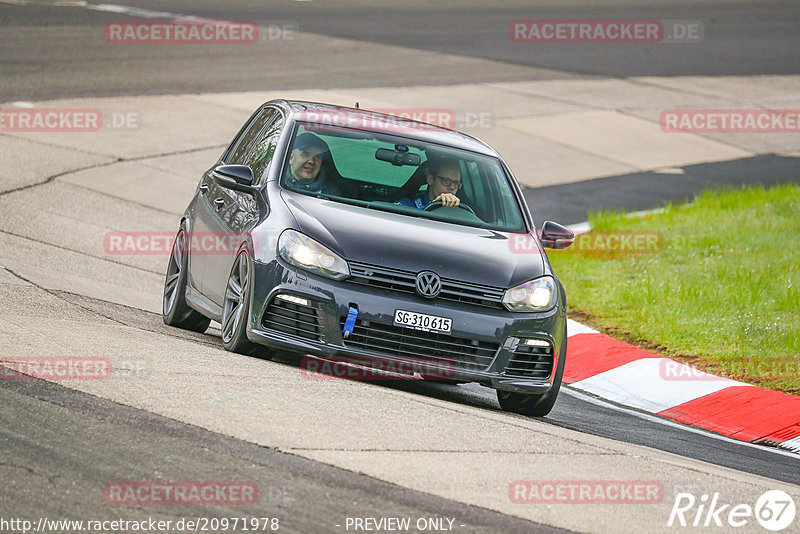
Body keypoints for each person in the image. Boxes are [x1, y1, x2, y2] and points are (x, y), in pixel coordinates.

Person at [397, 157, 462, 209]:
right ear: (430, 179)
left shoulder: (461, 211)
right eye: (446, 181)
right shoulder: (408, 204)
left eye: (456, 183)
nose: (452, 187)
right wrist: (434, 205)